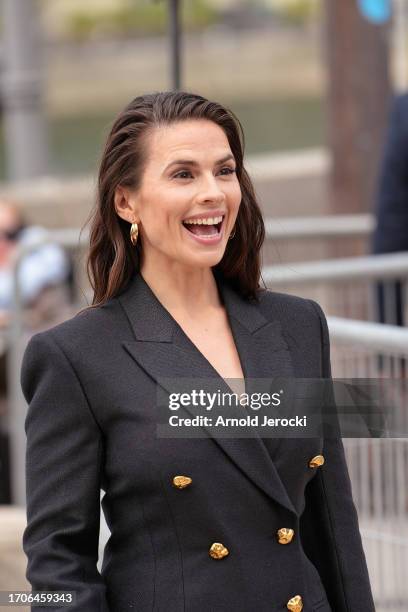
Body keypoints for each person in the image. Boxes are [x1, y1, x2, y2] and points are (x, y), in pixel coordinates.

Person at [20, 91, 375, 612]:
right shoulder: (74, 355)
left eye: (225, 171)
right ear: (126, 201)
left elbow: (333, 526)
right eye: (183, 174)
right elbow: (56, 566)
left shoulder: (299, 324)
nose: (213, 193)